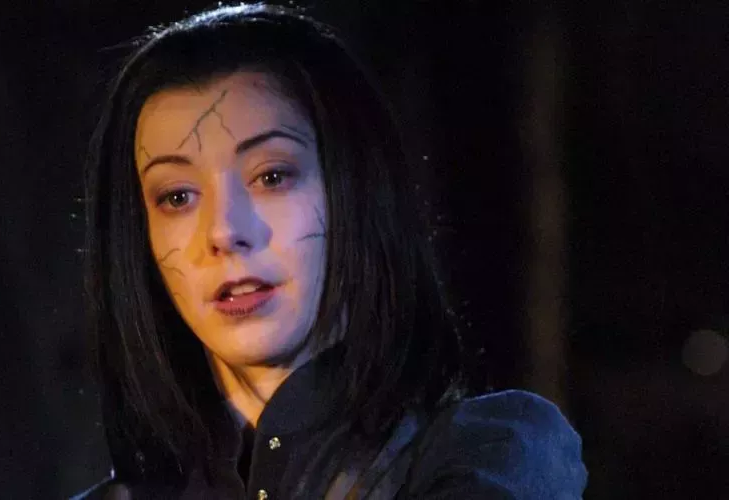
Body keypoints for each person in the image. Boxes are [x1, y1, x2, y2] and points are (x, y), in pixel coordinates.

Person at [79, 3, 586, 498]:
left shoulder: (488, 456)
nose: (225, 231)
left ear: (355, 190)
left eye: (271, 176)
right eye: (177, 197)